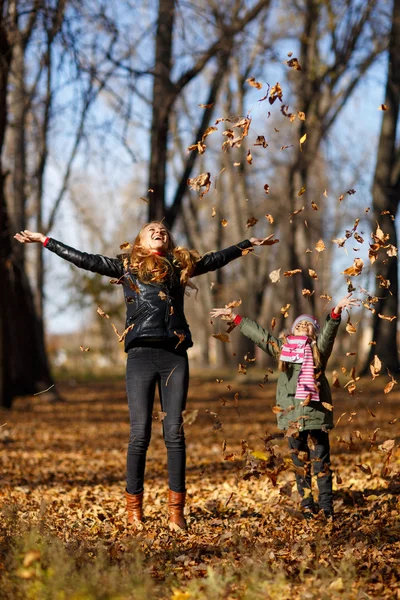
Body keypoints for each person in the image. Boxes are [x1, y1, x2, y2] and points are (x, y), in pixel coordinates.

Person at [15, 223, 274, 530]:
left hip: (174, 355)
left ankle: (176, 513)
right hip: (139, 356)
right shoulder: (126, 266)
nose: (158, 230)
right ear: (139, 239)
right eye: (151, 228)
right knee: (140, 435)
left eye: (163, 229)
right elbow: (83, 258)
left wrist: (248, 243)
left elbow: (216, 258)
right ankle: (133, 510)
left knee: (175, 433)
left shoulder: (179, 265)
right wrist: (45, 240)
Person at [210, 294, 358, 520]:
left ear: (314, 333)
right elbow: (261, 336)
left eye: (309, 327)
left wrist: (336, 312)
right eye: (301, 326)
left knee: (322, 463)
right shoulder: (283, 350)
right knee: (300, 464)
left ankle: (326, 506)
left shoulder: (318, 351)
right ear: (293, 331)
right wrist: (236, 318)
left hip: (316, 412)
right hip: (292, 416)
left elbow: (329, 334)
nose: (305, 329)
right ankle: (308, 505)